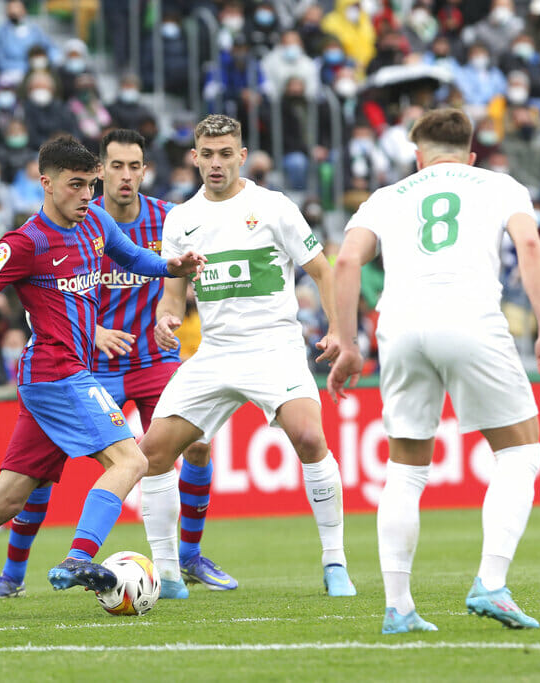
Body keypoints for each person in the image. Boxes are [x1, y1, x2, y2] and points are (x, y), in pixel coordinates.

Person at [0, 136, 206, 621]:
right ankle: (78, 557)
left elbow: (132, 257)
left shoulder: (95, 222)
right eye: (77, 186)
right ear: (45, 183)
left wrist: (168, 266)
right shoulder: (25, 243)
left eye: (92, 185)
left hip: (63, 377)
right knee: (132, 459)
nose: (88, 195)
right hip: (58, 374)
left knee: (5, 500)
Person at [329, 107, 540, 634]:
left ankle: (399, 607)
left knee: (406, 468)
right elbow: (529, 243)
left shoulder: (387, 197)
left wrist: (346, 343)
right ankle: (491, 583)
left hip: (400, 326)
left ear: (418, 156)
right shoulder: (499, 184)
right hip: (469, 318)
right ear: (471, 154)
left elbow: (346, 261)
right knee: (521, 453)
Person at [0, 129, 236, 601]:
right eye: (116, 166)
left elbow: (170, 274)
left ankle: (186, 559)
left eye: (136, 166)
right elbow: (46, 299)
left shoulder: (165, 219)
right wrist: (91, 333)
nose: (126, 176)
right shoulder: (63, 227)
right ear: (101, 169)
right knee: (44, 469)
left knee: (195, 447)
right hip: (90, 364)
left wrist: (166, 313)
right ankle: (14, 572)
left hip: (153, 358)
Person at [138, 114, 356, 598]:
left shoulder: (274, 207)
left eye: (225, 153)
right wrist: (165, 319)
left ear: (241, 155)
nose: (216, 163)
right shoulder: (181, 220)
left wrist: (339, 330)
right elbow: (173, 294)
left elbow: (322, 271)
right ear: (194, 157)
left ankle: (335, 562)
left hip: (273, 347)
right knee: (150, 455)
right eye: (207, 154)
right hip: (215, 353)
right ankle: (169, 574)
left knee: (308, 436)